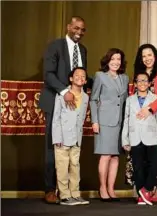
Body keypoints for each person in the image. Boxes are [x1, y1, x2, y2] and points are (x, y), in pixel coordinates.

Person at [39, 16, 93, 204]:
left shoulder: (83, 50)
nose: (79, 32)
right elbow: (48, 74)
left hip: (75, 104)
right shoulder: (55, 46)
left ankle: (70, 192)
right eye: (76, 28)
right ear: (69, 27)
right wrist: (64, 92)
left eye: (82, 29)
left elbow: (82, 76)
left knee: (73, 151)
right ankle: (50, 190)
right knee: (53, 147)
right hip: (55, 101)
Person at [125, 44, 157, 202]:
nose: (147, 58)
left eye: (150, 55)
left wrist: (150, 108)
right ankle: (144, 190)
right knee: (142, 157)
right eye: (143, 56)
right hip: (140, 122)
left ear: (155, 56)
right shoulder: (139, 75)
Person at [90, 48, 129, 201]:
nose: (116, 62)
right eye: (113, 59)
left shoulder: (125, 78)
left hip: (120, 122)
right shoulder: (100, 76)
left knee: (115, 156)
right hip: (104, 121)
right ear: (107, 61)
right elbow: (93, 99)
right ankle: (102, 188)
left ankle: (111, 189)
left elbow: (125, 100)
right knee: (105, 155)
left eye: (118, 59)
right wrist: (95, 121)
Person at [122, 72, 157, 206]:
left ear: (149, 83)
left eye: (145, 80)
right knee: (138, 166)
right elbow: (126, 120)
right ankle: (141, 196)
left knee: (156, 163)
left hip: (152, 136)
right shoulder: (129, 100)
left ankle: (147, 189)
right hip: (135, 136)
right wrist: (125, 139)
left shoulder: (155, 98)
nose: (142, 83)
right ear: (135, 84)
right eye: (139, 81)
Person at [52, 67, 90, 206]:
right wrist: (57, 138)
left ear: (85, 80)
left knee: (75, 166)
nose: (80, 77)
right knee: (62, 167)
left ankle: (75, 194)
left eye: (83, 76)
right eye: (77, 75)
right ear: (71, 78)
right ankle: (64, 195)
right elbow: (56, 118)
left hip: (76, 138)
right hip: (63, 137)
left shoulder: (85, 97)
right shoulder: (63, 95)